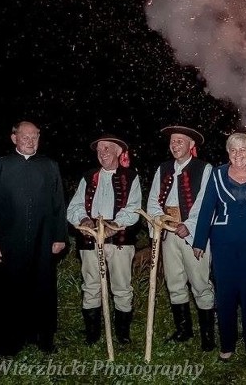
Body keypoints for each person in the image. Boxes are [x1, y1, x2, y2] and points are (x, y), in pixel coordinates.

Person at [0, 121, 68, 356]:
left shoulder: (50, 166)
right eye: (25, 136)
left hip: (42, 239)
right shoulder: (0, 166)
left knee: (41, 288)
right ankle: (5, 340)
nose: (30, 140)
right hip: (7, 242)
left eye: (35, 136)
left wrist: (59, 236)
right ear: (14, 138)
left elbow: (59, 204)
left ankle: (41, 337)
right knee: (6, 291)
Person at [192, 132, 246, 360]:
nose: (238, 154)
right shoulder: (217, 174)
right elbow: (206, 208)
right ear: (228, 152)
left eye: (243, 150)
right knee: (225, 295)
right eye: (233, 149)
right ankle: (227, 345)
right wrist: (199, 240)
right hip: (223, 243)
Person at [66, 134, 142, 346]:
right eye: (100, 149)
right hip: (89, 241)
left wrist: (112, 228)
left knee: (122, 287)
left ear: (119, 151)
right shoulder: (88, 176)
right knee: (91, 286)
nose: (103, 152)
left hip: (119, 242)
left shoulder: (131, 176)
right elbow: (74, 206)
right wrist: (84, 220)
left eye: (108, 148)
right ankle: (92, 334)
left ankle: (122, 335)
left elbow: (134, 208)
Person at [146, 124, 216, 351]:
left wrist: (190, 225)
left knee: (200, 283)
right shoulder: (163, 168)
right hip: (168, 233)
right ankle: (183, 330)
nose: (175, 145)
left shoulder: (204, 168)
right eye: (172, 141)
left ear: (191, 145)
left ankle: (207, 337)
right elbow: (153, 201)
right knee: (175, 283)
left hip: (192, 234)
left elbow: (206, 202)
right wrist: (160, 221)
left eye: (180, 141)